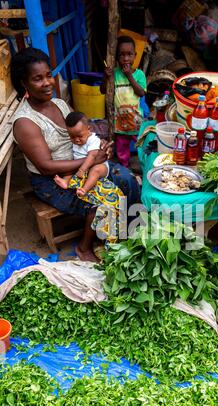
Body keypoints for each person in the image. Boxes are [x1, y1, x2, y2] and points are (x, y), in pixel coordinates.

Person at [11, 47, 141, 262]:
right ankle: (84, 247)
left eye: (48, 75)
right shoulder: (25, 122)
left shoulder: (60, 104)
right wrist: (90, 159)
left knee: (127, 178)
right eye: (37, 79)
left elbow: (82, 131)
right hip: (52, 180)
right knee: (101, 202)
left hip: (81, 165)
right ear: (24, 83)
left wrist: (98, 146)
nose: (47, 83)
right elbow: (45, 166)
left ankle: (129, 233)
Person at [101, 35, 147, 168]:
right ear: (116, 57)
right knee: (122, 147)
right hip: (120, 119)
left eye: (129, 54)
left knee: (141, 144)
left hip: (136, 118)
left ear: (135, 55)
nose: (126, 58)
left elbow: (141, 92)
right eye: (122, 55)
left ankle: (143, 166)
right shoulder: (113, 74)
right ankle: (124, 168)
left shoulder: (139, 74)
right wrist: (106, 77)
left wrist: (129, 76)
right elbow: (103, 90)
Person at [54, 111, 114, 198]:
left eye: (80, 136)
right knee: (70, 169)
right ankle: (65, 181)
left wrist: (82, 170)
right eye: (72, 137)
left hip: (100, 166)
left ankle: (84, 189)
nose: (76, 140)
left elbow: (92, 156)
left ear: (89, 129)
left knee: (95, 171)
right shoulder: (76, 140)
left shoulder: (93, 140)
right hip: (82, 166)